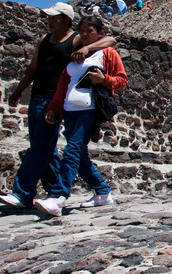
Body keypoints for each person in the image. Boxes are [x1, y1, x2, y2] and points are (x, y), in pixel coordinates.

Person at [0, 3, 116, 209]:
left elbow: (110, 40)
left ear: (67, 20)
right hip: (38, 96)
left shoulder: (76, 39)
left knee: (44, 146)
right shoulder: (44, 39)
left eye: (55, 18)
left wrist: (86, 47)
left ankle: (24, 193)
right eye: (49, 18)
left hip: (60, 99)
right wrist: (18, 90)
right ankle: (58, 189)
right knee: (46, 148)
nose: (50, 21)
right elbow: (32, 68)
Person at [33, 16, 127, 217]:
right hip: (70, 110)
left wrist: (104, 79)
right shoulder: (75, 55)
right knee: (80, 155)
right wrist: (54, 106)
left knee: (72, 149)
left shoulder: (107, 53)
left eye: (89, 30)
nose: (84, 34)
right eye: (82, 31)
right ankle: (102, 191)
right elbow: (63, 84)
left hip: (90, 109)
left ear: (99, 33)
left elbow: (122, 80)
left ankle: (57, 197)